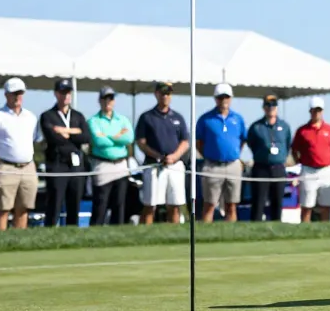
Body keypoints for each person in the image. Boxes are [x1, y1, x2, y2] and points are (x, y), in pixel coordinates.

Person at [0, 77, 41, 231]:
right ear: (6, 95)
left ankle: (18, 239)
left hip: (28, 167)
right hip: (6, 167)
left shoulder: (31, 117)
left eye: (20, 93)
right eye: (14, 93)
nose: (17, 97)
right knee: (3, 209)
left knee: (24, 208)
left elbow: (35, 140)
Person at [134, 81, 190, 225]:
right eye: (163, 93)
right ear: (156, 94)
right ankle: (145, 233)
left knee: (175, 205)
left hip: (175, 165)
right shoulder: (147, 117)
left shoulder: (178, 117)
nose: (165, 96)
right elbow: (141, 142)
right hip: (154, 165)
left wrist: (174, 157)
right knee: (150, 205)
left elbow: (185, 142)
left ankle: (174, 234)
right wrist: (158, 156)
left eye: (168, 93)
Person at [39, 78, 90, 228]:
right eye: (62, 92)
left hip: (75, 165)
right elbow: (53, 138)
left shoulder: (78, 116)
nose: (66, 96)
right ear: (56, 94)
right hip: (57, 163)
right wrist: (75, 132)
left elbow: (86, 137)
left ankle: (72, 232)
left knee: (74, 202)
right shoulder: (48, 115)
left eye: (68, 92)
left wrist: (65, 131)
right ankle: (50, 232)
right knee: (54, 202)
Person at [196, 83, 247, 223]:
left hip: (233, 165)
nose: (224, 100)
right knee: (210, 204)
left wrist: (233, 154)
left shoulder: (238, 119)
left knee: (232, 205)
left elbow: (242, 140)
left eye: (226, 97)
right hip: (212, 166)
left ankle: (231, 234)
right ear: (215, 99)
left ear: (231, 98)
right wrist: (210, 155)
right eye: (220, 97)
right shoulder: (206, 119)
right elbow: (199, 142)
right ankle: (205, 233)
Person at [87, 86, 134, 225]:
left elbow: (129, 138)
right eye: (105, 98)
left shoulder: (123, 119)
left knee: (119, 204)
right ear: (100, 100)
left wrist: (107, 136)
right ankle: (95, 233)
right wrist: (118, 136)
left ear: (114, 101)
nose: (108, 101)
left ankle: (117, 233)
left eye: (111, 98)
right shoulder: (93, 120)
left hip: (121, 165)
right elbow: (99, 141)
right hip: (102, 165)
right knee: (100, 205)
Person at [291, 96, 330, 222]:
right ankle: (305, 230)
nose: (317, 113)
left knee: (326, 206)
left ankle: (326, 230)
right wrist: (300, 163)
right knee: (307, 206)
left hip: (326, 170)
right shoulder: (302, 131)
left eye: (319, 110)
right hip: (308, 170)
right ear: (310, 111)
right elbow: (294, 150)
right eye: (314, 110)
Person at [247, 94, 292, 222]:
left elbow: (287, 144)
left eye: (273, 105)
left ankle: (276, 226)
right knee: (258, 202)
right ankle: (255, 228)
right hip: (261, 168)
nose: (271, 108)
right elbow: (251, 144)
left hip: (278, 168)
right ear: (264, 107)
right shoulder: (256, 127)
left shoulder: (284, 126)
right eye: (268, 105)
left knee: (277, 202)